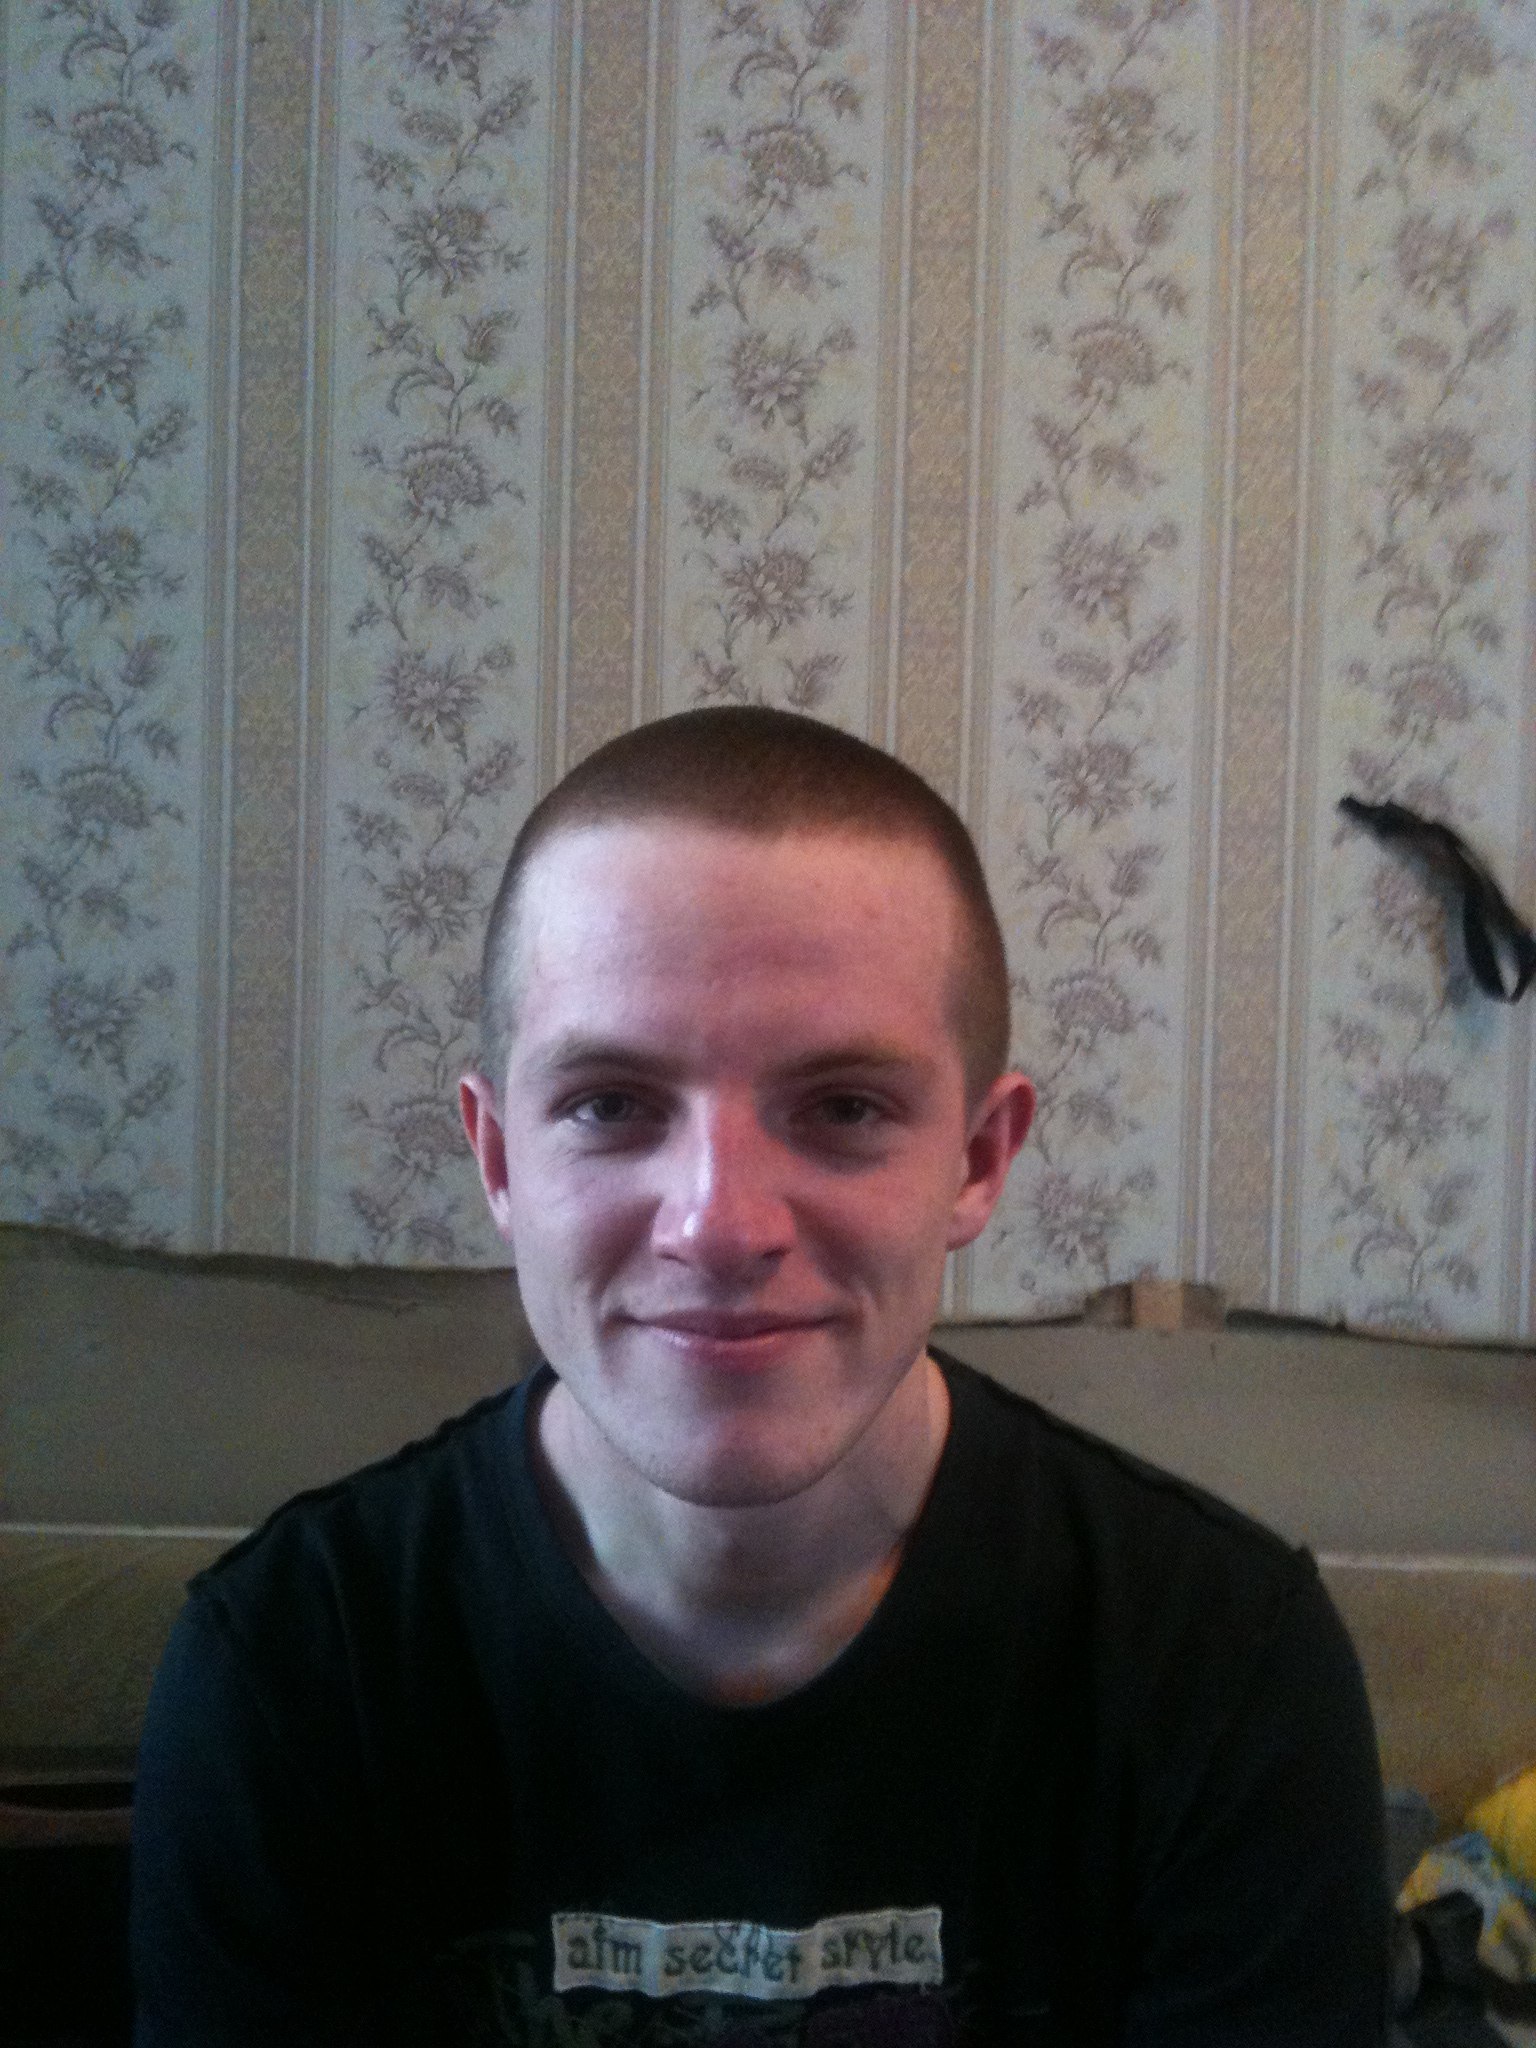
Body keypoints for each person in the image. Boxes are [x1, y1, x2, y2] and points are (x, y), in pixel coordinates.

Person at [130, 706, 1391, 2044]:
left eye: (843, 1108)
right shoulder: (289, 1668)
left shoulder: (1223, 1664)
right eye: (611, 1105)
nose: (720, 1226)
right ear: (499, 1160)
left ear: (978, 1161)